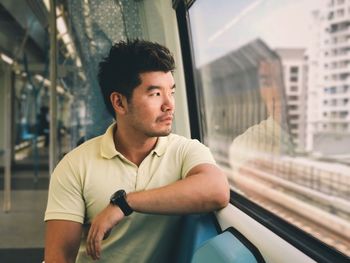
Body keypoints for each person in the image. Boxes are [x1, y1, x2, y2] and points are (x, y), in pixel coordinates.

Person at [44, 39, 230, 262]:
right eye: (155, 94)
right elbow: (59, 257)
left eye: (170, 92)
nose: (169, 104)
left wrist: (124, 204)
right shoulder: (75, 165)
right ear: (119, 103)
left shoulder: (185, 150)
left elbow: (217, 190)